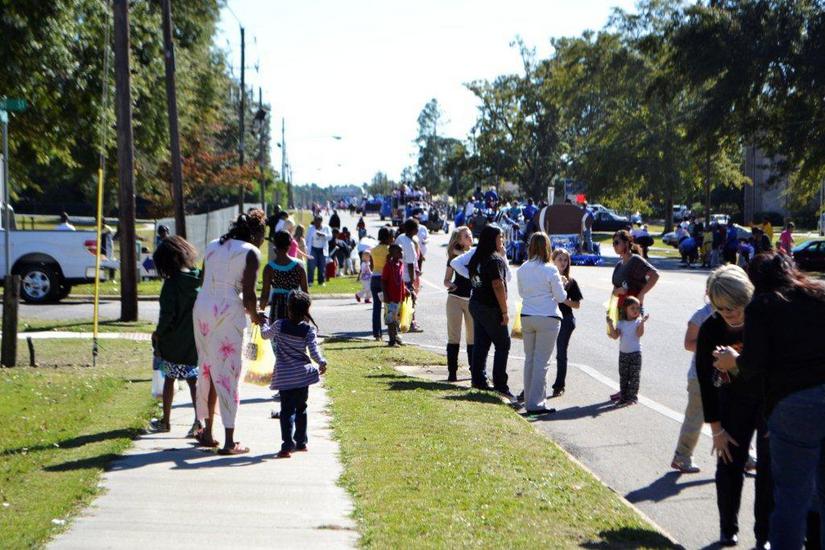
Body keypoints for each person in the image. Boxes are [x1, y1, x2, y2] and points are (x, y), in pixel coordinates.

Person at [713, 252, 825, 549]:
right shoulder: (819, 293)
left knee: (790, 495)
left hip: (792, 404)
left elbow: (753, 366)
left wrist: (732, 360)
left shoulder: (762, 306)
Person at [695, 264, 771, 548]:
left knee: (769, 469)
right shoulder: (711, 329)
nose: (732, 314)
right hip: (733, 403)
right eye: (724, 309)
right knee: (728, 464)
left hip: (767, 401)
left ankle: (764, 534)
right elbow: (706, 381)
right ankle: (728, 528)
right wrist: (716, 429)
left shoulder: (762, 321)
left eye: (737, 306)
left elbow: (773, 367)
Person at [193, 210, 266, 455]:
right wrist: (255, 316)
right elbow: (249, 294)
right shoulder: (251, 252)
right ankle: (229, 441)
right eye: (263, 235)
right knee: (228, 374)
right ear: (256, 233)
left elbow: (204, 279)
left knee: (208, 368)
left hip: (202, 307)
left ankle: (207, 431)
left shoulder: (213, 245)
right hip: (227, 311)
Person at [261, 290, 327, 458]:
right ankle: (301, 442)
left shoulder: (279, 325)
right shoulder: (308, 330)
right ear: (306, 310)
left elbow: (264, 335)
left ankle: (286, 446)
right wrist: (321, 362)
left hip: (284, 377)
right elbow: (314, 352)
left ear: (288, 309)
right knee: (301, 408)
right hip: (301, 377)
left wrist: (263, 323)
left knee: (286, 411)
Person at [451, 224, 512, 396]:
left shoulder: (476, 258)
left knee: (481, 344)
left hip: (476, 303)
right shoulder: (494, 259)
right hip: (491, 307)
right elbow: (497, 284)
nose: (502, 240)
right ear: (492, 238)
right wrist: (505, 311)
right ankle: (500, 385)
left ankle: (478, 380)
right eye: (500, 237)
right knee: (502, 344)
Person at [150, 236, 201, 436]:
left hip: (172, 341)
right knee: (193, 380)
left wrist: (158, 334)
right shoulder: (198, 277)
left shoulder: (171, 285)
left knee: (170, 378)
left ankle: (166, 421)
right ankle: (199, 420)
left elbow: (167, 316)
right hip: (194, 339)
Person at [516, 232, 567, 414]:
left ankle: (529, 398)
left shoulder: (522, 268)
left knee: (529, 359)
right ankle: (536, 403)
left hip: (527, 315)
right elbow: (560, 297)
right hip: (547, 317)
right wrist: (562, 282)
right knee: (541, 362)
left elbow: (522, 293)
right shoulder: (550, 269)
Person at [670, 284, 714, 474]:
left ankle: (743, 455)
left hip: (728, 375)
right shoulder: (701, 314)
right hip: (701, 376)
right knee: (696, 417)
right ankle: (682, 456)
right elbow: (689, 344)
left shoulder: (738, 312)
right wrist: (713, 345)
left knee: (733, 416)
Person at [443, 226, 474, 382]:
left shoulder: (475, 254)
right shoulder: (454, 257)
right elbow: (446, 280)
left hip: (472, 301)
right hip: (455, 299)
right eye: (465, 235)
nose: (469, 236)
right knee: (454, 336)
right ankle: (452, 373)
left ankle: (474, 372)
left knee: (472, 337)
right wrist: (451, 285)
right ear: (459, 240)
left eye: (469, 234)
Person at [550, 248, 582, 397]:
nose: (563, 263)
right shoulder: (548, 277)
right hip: (548, 318)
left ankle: (559, 385)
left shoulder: (571, 281)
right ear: (553, 260)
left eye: (565, 260)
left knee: (561, 353)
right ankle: (532, 387)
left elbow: (577, 304)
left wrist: (563, 299)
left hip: (566, 320)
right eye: (560, 259)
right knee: (541, 353)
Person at [606, 296, 649, 407]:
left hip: (635, 353)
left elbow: (639, 334)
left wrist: (643, 322)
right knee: (624, 376)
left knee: (634, 377)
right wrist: (610, 324)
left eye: (637, 308)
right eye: (632, 308)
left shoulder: (638, 321)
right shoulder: (621, 322)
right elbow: (615, 336)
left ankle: (632, 397)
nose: (635, 310)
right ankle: (623, 397)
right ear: (626, 309)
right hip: (623, 354)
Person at [259, 230, 308, 322]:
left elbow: (265, 294)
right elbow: (305, 293)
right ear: (289, 245)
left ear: (275, 245)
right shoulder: (299, 267)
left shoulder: (269, 268)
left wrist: (260, 312)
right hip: (295, 308)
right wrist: (306, 313)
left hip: (277, 309)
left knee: (277, 334)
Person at [611, 230, 659, 311]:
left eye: (616, 243)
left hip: (633, 314)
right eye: (613, 243)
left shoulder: (635, 259)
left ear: (626, 243)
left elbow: (655, 275)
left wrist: (641, 294)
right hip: (620, 311)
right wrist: (616, 292)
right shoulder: (618, 265)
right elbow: (614, 290)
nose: (614, 246)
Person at [395, 218, 422, 332]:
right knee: (411, 301)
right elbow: (410, 264)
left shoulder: (400, 238)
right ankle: (411, 323)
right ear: (413, 230)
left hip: (399, 275)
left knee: (402, 302)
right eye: (417, 228)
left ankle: (401, 322)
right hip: (406, 276)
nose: (418, 229)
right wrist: (411, 280)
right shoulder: (409, 244)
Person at [369, 227, 392, 341]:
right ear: (388, 237)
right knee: (389, 306)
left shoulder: (373, 250)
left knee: (376, 307)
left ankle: (377, 334)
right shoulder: (389, 250)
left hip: (374, 278)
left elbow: (371, 266)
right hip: (385, 280)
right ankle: (391, 331)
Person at [381, 244, 407, 347]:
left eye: (401, 251)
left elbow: (400, 280)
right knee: (391, 320)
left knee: (396, 319)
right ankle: (392, 341)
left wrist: (405, 290)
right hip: (390, 298)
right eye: (399, 252)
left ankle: (396, 338)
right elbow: (383, 281)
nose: (401, 253)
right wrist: (386, 295)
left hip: (399, 297)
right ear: (392, 253)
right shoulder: (388, 266)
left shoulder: (400, 264)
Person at [306, 216, 332, 286]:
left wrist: (323, 235)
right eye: (315, 222)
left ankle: (321, 281)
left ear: (321, 221)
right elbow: (307, 239)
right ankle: (310, 281)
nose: (315, 224)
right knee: (311, 266)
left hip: (322, 249)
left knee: (322, 266)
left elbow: (330, 237)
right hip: (313, 249)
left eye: (317, 222)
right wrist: (306, 249)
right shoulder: (310, 228)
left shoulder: (326, 228)